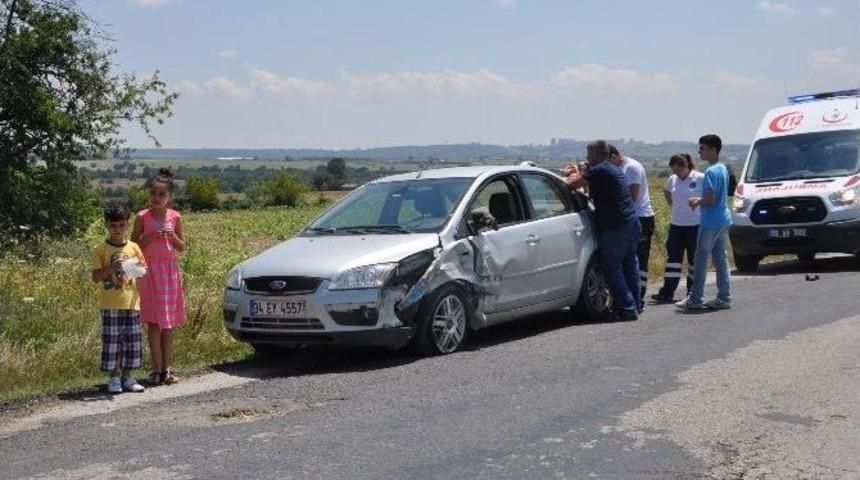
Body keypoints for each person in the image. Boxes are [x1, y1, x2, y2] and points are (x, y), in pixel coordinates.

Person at [563, 140, 641, 321]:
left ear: (597, 155)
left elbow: (572, 184)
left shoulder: (599, 170)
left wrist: (572, 173)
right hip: (629, 223)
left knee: (611, 267)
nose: (587, 158)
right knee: (630, 266)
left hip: (615, 227)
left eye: (589, 155)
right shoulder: (611, 169)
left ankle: (627, 308)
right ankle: (635, 304)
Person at [132, 168, 187, 384]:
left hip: (169, 273)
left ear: (169, 196)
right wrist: (151, 236)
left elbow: (182, 247)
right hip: (149, 273)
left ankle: (167, 368)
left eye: (161, 194)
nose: (156, 198)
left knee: (168, 323)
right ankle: (155, 369)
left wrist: (173, 237)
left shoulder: (175, 217)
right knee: (153, 322)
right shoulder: (142, 217)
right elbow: (133, 245)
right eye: (153, 193)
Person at [91, 201, 147, 394]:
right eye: (113, 225)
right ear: (106, 225)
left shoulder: (134, 247)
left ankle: (128, 377)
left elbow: (143, 270)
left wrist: (132, 270)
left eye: (121, 225)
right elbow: (95, 277)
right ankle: (114, 377)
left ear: (127, 224)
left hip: (132, 303)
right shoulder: (101, 249)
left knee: (132, 341)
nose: (117, 229)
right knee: (112, 342)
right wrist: (112, 268)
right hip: (110, 303)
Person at [676, 135, 732, 311]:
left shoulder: (710, 172)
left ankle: (695, 298)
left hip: (711, 221)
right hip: (723, 219)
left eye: (702, 148)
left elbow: (710, 199)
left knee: (700, 259)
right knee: (720, 260)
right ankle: (724, 297)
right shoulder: (722, 168)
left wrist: (696, 201)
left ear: (713, 150)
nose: (699, 151)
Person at [651, 154, 703, 303]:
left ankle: (692, 293)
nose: (676, 173)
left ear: (686, 166)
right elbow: (667, 191)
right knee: (673, 260)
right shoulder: (672, 179)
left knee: (694, 260)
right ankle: (667, 292)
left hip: (695, 225)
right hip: (676, 225)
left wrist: (699, 203)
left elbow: (710, 195)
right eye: (674, 170)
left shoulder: (699, 177)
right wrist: (672, 205)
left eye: (679, 170)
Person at [609, 144, 654, 310]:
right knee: (630, 261)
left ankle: (639, 298)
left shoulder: (631, 168)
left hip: (640, 217)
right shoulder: (621, 168)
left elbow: (632, 197)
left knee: (639, 262)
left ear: (614, 156)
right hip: (631, 218)